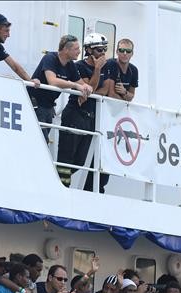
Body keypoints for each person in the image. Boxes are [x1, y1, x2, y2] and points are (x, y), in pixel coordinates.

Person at [56, 33, 109, 190]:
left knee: (80, 161)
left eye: (104, 49)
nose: (103, 54)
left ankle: (55, 181)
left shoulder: (105, 68)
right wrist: (97, 70)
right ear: (89, 50)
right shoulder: (79, 66)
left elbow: (104, 90)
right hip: (75, 115)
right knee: (66, 159)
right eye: (99, 50)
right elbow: (88, 89)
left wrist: (92, 91)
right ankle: (60, 189)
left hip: (89, 119)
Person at [29, 34, 93, 140]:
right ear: (66, 50)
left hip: (49, 107)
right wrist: (75, 85)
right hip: (36, 105)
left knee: (44, 141)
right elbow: (52, 81)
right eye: (76, 49)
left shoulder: (70, 64)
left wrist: (87, 87)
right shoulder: (50, 58)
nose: (79, 52)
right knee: (40, 141)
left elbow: (81, 83)